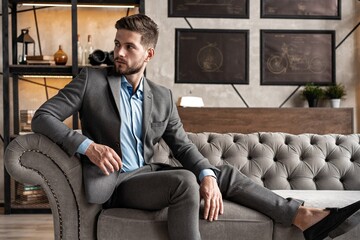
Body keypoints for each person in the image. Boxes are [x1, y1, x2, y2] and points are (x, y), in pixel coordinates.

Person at [32, 14, 360, 240]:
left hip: (146, 175)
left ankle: (302, 217)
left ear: (148, 53)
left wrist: (208, 177)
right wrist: (87, 146)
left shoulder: (161, 96)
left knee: (219, 173)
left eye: (128, 46)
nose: (118, 52)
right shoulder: (91, 80)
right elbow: (42, 117)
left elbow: (183, 145)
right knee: (184, 181)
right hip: (116, 184)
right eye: (117, 43)